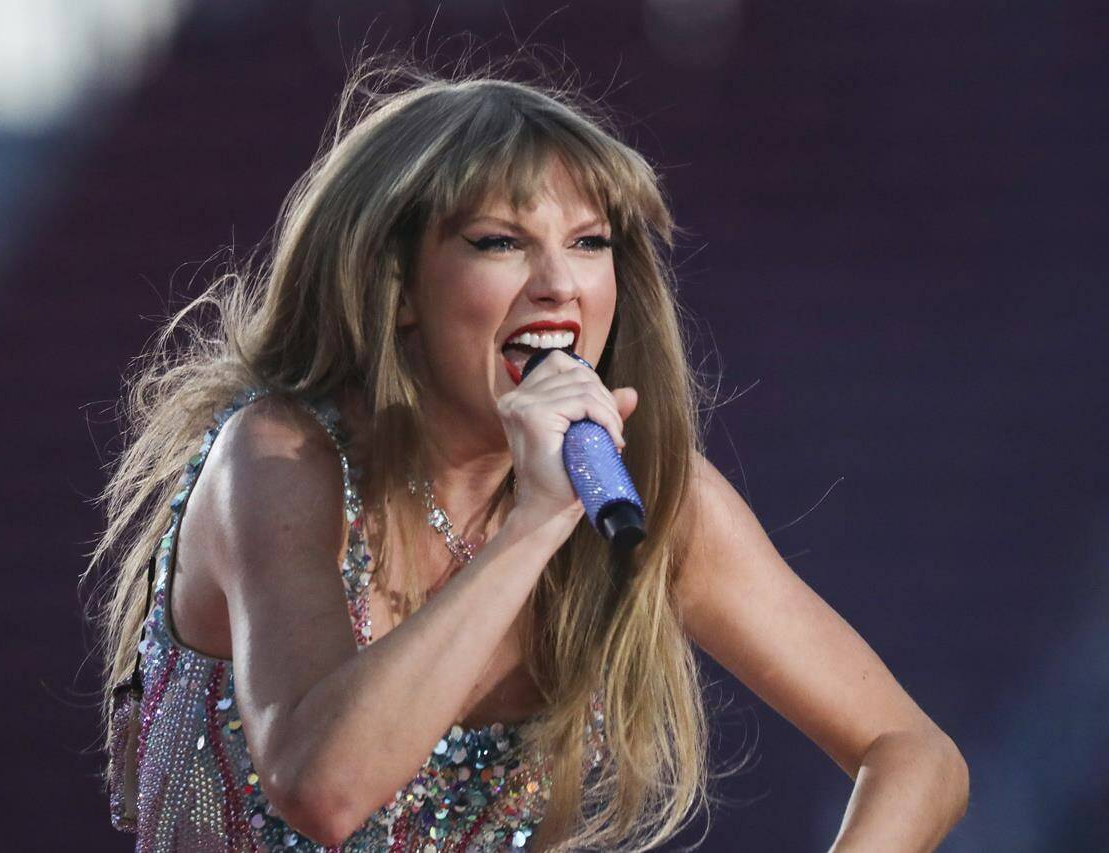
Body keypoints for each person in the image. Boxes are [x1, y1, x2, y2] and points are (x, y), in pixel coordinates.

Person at [85, 56, 969, 852]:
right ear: (397, 287)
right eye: (500, 242)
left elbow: (914, 754)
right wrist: (535, 520)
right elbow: (324, 787)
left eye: (589, 243)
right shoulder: (277, 460)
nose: (559, 283)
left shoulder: (647, 493)